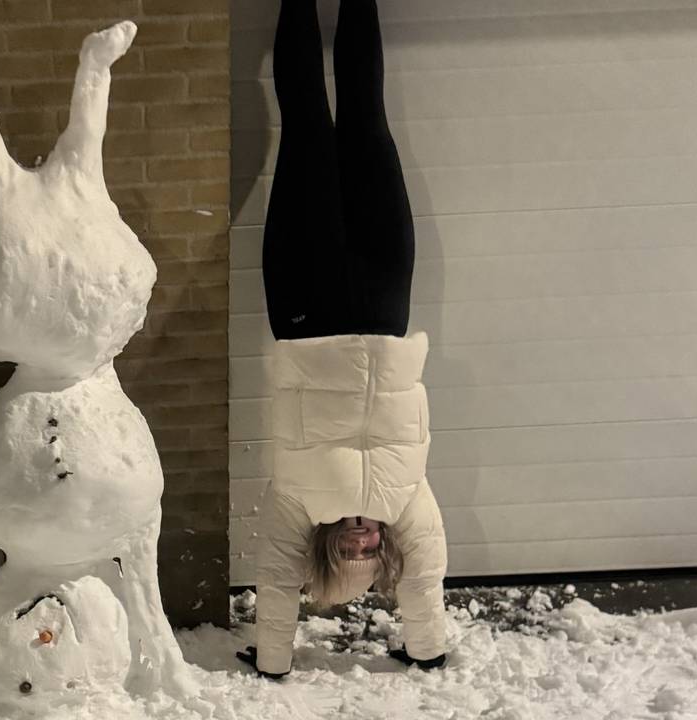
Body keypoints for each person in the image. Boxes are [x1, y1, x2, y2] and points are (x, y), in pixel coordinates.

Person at [236, 0, 449, 679]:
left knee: (307, 126)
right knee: (367, 122)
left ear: (325, 549)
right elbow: (425, 577)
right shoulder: (406, 497)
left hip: (306, 307)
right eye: (370, 553)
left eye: (347, 551)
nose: (362, 539)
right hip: (386, 307)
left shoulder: (297, 502)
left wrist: (275, 662)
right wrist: (426, 649)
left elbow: (273, 581)